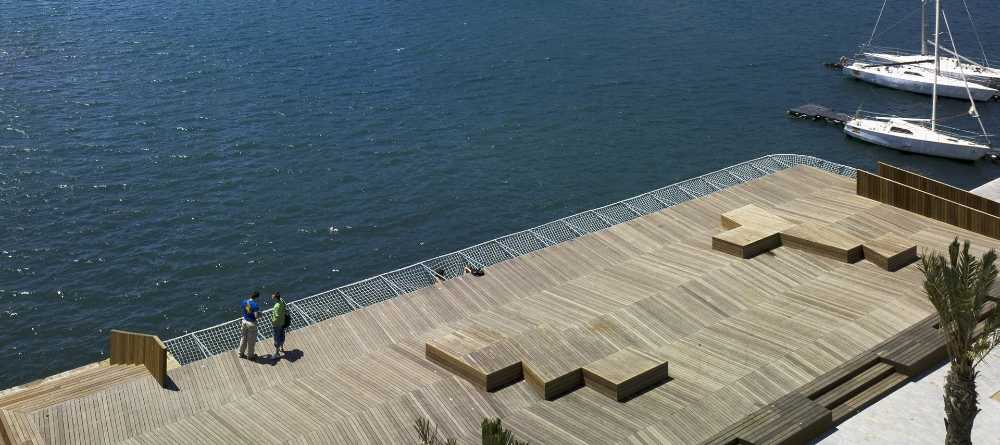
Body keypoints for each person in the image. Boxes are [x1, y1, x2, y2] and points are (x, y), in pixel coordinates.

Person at [238, 291, 260, 360]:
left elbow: (244, 309)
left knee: (243, 338)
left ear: (251, 295)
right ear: (257, 297)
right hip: (251, 324)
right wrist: (260, 314)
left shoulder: (244, 302)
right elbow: (256, 316)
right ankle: (250, 356)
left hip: (244, 322)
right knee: (251, 341)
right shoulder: (255, 305)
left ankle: (240, 353)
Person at [271, 292, 288, 356]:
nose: (272, 296)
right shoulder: (282, 300)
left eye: (273, 295)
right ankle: (282, 347)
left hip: (277, 324)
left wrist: (273, 321)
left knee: (276, 338)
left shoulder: (277, 306)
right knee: (282, 335)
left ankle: (277, 353)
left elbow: (277, 316)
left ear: (275, 297)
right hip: (282, 322)